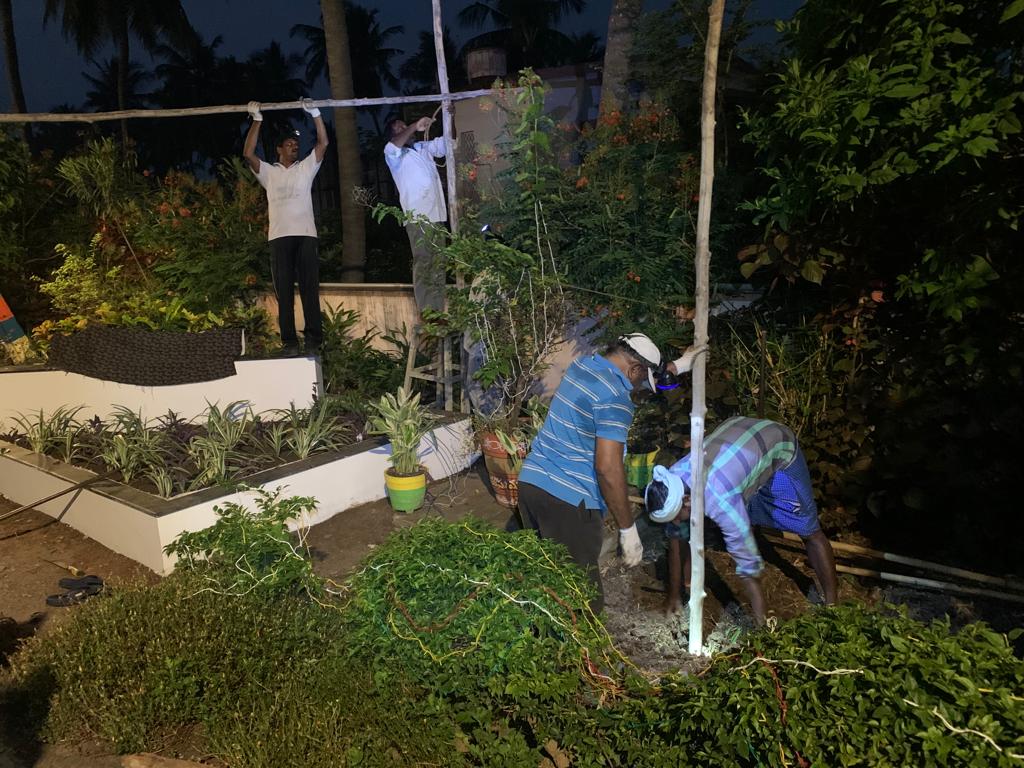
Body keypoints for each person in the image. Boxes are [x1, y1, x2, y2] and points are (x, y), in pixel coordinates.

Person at [517, 333, 700, 613]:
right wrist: (627, 529)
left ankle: (540, 637)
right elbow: (607, 467)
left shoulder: (583, 366)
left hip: (532, 485)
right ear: (634, 370)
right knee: (581, 601)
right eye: (640, 380)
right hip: (569, 502)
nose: (637, 388)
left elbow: (641, 372)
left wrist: (681, 364)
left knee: (544, 583)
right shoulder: (615, 399)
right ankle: (578, 642)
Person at [644, 416, 839, 624]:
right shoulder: (670, 478)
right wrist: (673, 596)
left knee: (808, 529)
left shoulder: (722, 500)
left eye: (675, 516)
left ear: (686, 500)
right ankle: (687, 583)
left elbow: (748, 568)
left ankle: (833, 606)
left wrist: (763, 626)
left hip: (777, 442)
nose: (674, 522)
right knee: (687, 525)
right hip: (738, 434)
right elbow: (676, 537)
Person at [243, 98, 329, 356]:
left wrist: (316, 114)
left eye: (296, 145)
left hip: (306, 236)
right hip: (280, 237)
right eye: (289, 144)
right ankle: (289, 343)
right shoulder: (269, 172)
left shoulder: (306, 168)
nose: (294, 147)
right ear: (279, 149)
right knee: (284, 293)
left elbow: (323, 143)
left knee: (309, 290)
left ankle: (314, 340)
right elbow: (248, 154)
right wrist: (257, 120)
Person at [383, 113, 453, 314]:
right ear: (392, 135)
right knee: (424, 263)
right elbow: (395, 144)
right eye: (399, 127)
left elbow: (448, 142)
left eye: (404, 125)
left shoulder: (422, 147)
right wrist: (414, 125)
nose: (404, 127)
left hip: (437, 216)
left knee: (438, 264)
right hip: (418, 217)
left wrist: (450, 116)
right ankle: (426, 312)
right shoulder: (393, 154)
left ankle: (437, 311)